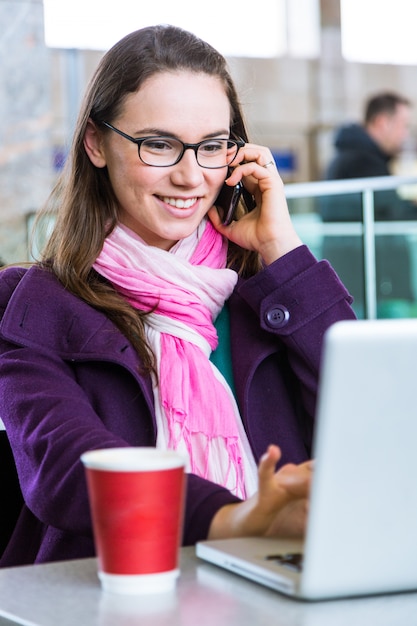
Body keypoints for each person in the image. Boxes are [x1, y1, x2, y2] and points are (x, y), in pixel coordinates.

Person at [0, 25, 355, 568]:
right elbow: (64, 466)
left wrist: (281, 249)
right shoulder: (33, 305)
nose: (191, 176)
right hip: (111, 595)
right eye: (159, 145)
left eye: (212, 146)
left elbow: (368, 421)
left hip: (277, 594)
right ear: (96, 143)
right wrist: (232, 519)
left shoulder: (264, 295)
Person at [321, 92, 417, 315]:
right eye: (403, 126)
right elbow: (390, 211)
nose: (405, 134)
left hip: (361, 284)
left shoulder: (355, 157)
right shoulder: (363, 162)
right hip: (367, 288)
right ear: (382, 122)